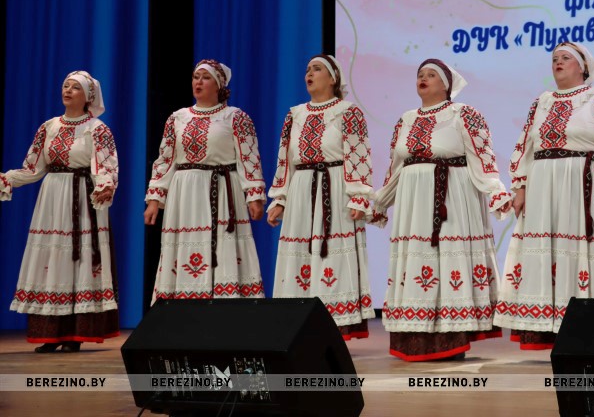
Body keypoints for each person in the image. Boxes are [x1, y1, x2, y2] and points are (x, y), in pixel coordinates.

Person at [494, 42, 594, 350]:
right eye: (554, 58)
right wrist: (520, 186)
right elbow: (525, 146)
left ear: (583, 66)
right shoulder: (541, 102)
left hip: (582, 185)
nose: (558, 62)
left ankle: (587, 329)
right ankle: (546, 328)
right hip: (543, 187)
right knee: (546, 253)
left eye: (566, 58)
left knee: (580, 251)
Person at [374, 59, 512, 361]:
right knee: (419, 263)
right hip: (414, 205)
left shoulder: (463, 114)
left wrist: (496, 192)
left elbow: (482, 158)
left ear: (447, 84)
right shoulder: (406, 119)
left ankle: (452, 336)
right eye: (420, 74)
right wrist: (379, 202)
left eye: (431, 74)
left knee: (448, 262)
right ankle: (417, 335)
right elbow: (396, 169)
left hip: (452, 199)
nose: (423, 78)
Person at [1, 71, 119, 352]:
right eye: (66, 86)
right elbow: (33, 168)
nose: (67, 90)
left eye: (75, 88)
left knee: (79, 260)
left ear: (87, 96)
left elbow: (106, 167)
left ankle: (74, 334)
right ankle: (51, 333)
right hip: (52, 198)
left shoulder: (97, 129)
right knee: (52, 260)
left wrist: (104, 187)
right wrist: (7, 180)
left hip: (83, 198)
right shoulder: (49, 127)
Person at [267, 55, 377, 340]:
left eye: (317, 69)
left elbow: (359, 154)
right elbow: (285, 159)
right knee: (301, 257)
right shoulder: (295, 114)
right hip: (301, 190)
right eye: (307, 69)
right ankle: (299, 325)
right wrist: (280, 198)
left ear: (333, 78)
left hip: (335, 188)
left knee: (331, 256)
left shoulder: (348, 112)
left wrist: (359, 196)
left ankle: (333, 326)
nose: (309, 73)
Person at [144, 59, 266, 302]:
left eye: (206, 77)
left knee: (222, 247)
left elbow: (249, 157)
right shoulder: (177, 118)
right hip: (184, 194)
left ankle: (226, 308)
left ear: (219, 85)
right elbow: (165, 160)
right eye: (195, 77)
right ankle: (182, 309)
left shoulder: (235, 117)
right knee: (185, 246)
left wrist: (254, 195)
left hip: (222, 192)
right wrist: (154, 199)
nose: (198, 82)